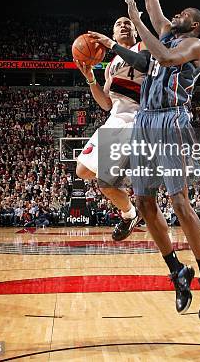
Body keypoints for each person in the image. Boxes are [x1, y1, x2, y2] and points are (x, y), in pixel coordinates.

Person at [90, 0, 200, 320]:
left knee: (178, 201)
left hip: (171, 120)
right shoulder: (163, 31)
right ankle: (176, 270)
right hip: (145, 120)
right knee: (145, 202)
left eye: (181, 13)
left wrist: (136, 24)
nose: (173, 14)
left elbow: (162, 57)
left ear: (193, 23)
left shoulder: (194, 45)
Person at [75, 16, 148, 241]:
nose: (124, 26)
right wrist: (90, 78)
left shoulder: (144, 46)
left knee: (106, 181)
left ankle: (130, 213)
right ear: (113, 33)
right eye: (118, 24)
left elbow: (143, 64)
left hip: (135, 120)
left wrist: (109, 44)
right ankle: (131, 214)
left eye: (128, 23)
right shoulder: (111, 66)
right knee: (83, 171)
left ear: (135, 30)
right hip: (115, 120)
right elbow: (106, 103)